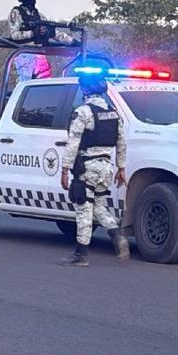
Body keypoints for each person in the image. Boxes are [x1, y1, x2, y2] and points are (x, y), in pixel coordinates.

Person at [59, 66, 128, 266]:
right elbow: (121, 142)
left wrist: (64, 169)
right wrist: (121, 168)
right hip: (106, 167)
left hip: (87, 168)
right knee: (99, 206)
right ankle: (117, 237)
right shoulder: (114, 114)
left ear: (85, 90)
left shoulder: (83, 112)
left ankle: (81, 255)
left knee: (83, 210)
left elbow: (73, 143)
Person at [7, 0, 76, 81]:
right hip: (24, 54)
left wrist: (72, 41)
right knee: (24, 84)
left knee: (43, 84)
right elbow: (14, 35)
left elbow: (54, 33)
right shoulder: (16, 13)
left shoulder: (40, 16)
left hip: (40, 54)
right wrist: (33, 33)